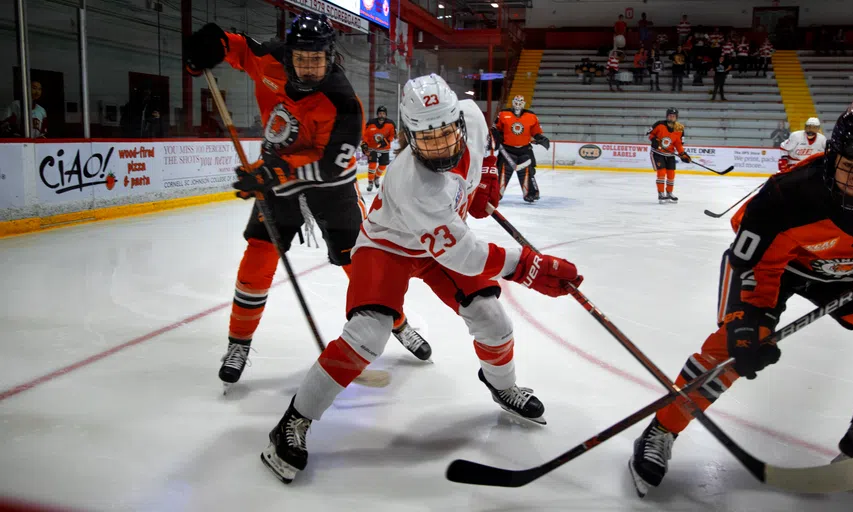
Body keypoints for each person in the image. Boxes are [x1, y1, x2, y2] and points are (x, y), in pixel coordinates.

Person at [259, 73, 584, 484]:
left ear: (459, 122)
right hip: (388, 248)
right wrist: (530, 266)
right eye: (427, 141)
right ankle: (292, 421)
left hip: (441, 244)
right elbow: (466, 256)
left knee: (494, 321)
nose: (442, 147)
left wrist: (483, 179)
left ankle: (503, 386)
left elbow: (484, 150)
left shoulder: (472, 116)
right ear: (410, 138)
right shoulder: (412, 181)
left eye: (448, 135)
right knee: (368, 334)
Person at [628, 96, 853, 506]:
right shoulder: (787, 196)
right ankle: (662, 428)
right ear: (832, 156)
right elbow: (748, 263)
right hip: (780, 269)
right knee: (733, 347)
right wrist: (747, 320)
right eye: (849, 165)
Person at [183, 14, 433, 392]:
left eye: (317, 59)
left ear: (329, 56)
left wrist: (272, 173)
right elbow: (235, 46)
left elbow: (330, 165)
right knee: (258, 256)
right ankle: (238, 345)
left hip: (331, 187)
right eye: (301, 59)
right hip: (277, 178)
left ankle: (398, 324)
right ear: (290, 55)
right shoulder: (271, 59)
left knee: (362, 265)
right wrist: (211, 46)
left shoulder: (342, 100)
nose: (309, 67)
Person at [494, 95, 550, 203]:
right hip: (506, 150)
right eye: (516, 102)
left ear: (524, 103)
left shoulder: (531, 115)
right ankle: (496, 194)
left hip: (525, 149)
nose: (518, 105)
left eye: (520, 102)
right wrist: (495, 137)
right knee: (503, 172)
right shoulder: (503, 114)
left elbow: (536, 131)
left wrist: (540, 138)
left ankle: (531, 194)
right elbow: (496, 128)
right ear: (512, 102)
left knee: (528, 172)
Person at [647, 107, 691, 204]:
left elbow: (678, 144)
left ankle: (669, 193)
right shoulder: (659, 124)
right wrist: (654, 140)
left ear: (676, 117)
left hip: (670, 154)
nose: (671, 118)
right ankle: (661, 193)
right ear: (667, 116)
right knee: (661, 173)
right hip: (657, 153)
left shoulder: (679, 128)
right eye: (670, 116)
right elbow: (650, 134)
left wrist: (682, 154)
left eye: (674, 116)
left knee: (671, 175)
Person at [362, 105, 396, 192]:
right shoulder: (371, 123)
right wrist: (364, 144)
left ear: (386, 115)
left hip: (384, 148)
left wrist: (386, 142)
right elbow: (365, 135)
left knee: (383, 166)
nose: (381, 115)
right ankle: (370, 182)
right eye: (380, 113)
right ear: (377, 114)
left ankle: (376, 177)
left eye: (383, 114)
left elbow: (392, 135)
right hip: (372, 148)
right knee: (372, 165)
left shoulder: (390, 124)